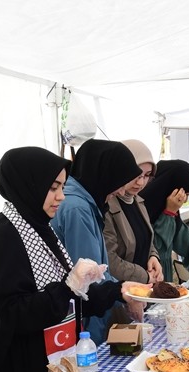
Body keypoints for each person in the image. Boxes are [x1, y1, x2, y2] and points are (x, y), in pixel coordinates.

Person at [0, 147, 130, 372]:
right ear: (28, 186)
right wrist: (67, 287)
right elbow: (8, 314)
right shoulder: (4, 237)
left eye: (62, 186)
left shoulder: (39, 227)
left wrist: (117, 290)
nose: (61, 196)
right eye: (53, 188)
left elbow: (70, 301)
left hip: (55, 367)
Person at [52, 138, 143, 337]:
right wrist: (121, 293)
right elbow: (90, 277)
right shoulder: (78, 209)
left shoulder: (86, 203)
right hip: (85, 323)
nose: (121, 191)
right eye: (118, 183)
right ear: (103, 176)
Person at [141, 159, 189, 283]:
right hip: (147, 278)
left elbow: (182, 236)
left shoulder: (167, 207)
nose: (184, 200)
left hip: (164, 277)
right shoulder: (142, 207)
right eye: (184, 194)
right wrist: (169, 213)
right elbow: (158, 246)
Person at [102, 139, 165, 285]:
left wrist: (153, 257)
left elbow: (146, 239)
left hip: (143, 288)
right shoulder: (106, 206)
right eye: (136, 175)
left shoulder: (138, 202)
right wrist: (143, 276)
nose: (141, 182)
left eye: (147, 175)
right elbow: (108, 259)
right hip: (121, 290)